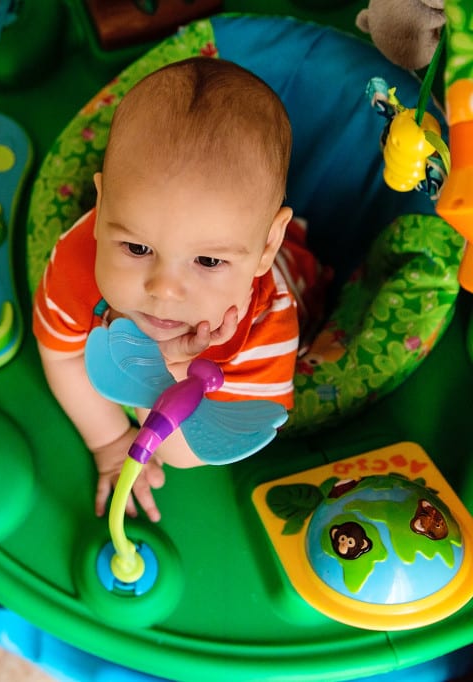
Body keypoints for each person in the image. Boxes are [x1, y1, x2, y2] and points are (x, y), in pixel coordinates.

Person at [33, 57, 329, 523]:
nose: (164, 289)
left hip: (305, 287)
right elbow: (59, 352)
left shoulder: (265, 324)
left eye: (209, 261)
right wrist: (110, 440)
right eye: (136, 246)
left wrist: (177, 373)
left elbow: (191, 452)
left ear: (265, 244)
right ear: (103, 203)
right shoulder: (76, 260)